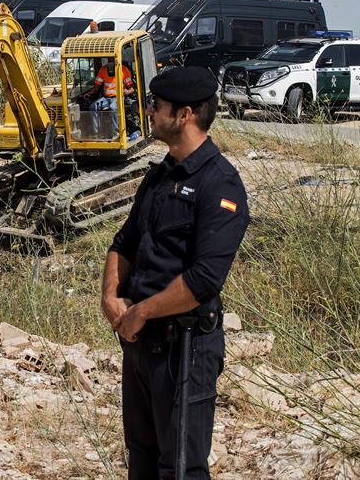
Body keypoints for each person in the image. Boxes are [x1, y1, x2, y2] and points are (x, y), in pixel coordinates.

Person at [101, 66, 250, 479]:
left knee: (180, 467)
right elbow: (124, 242)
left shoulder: (220, 185)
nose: (149, 111)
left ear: (184, 115)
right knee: (142, 457)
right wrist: (111, 296)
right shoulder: (159, 175)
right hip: (140, 342)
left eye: (156, 105)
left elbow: (204, 279)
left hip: (183, 347)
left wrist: (144, 310)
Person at [83, 59, 134, 137]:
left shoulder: (124, 70)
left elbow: (131, 89)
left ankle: (116, 132)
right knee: (93, 107)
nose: (111, 61)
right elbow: (96, 87)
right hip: (106, 98)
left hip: (119, 97)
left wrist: (127, 91)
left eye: (113, 58)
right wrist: (88, 93)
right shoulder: (103, 70)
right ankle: (96, 133)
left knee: (113, 107)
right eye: (109, 59)